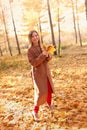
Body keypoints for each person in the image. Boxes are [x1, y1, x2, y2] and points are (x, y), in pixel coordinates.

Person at [27, 30, 54, 121]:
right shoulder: (29, 50)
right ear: (30, 39)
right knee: (41, 92)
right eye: (33, 36)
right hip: (38, 73)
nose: (35, 37)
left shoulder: (42, 46)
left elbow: (47, 60)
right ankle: (35, 112)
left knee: (49, 89)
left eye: (36, 35)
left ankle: (49, 103)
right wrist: (42, 55)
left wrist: (48, 55)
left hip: (46, 71)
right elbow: (34, 63)